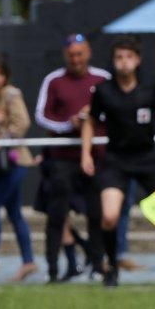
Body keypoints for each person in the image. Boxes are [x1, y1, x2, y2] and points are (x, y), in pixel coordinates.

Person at [81, 36, 155, 288]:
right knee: (110, 216)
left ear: (137, 60)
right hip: (115, 160)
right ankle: (112, 270)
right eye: (118, 58)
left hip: (147, 159)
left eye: (128, 57)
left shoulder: (152, 87)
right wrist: (86, 153)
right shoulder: (104, 90)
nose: (123, 63)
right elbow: (90, 122)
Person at [35, 33, 109, 282]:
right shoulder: (53, 80)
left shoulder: (102, 78)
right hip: (62, 158)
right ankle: (53, 269)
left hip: (96, 156)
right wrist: (69, 124)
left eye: (80, 54)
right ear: (65, 56)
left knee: (96, 213)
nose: (76, 59)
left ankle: (98, 265)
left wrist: (94, 118)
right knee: (57, 214)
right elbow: (41, 116)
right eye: (71, 55)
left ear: (88, 53)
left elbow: (117, 111)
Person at [0, 54, 37, 281]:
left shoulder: (12, 94)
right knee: (14, 213)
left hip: (13, 162)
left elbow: (22, 124)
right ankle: (29, 261)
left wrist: (1, 128)